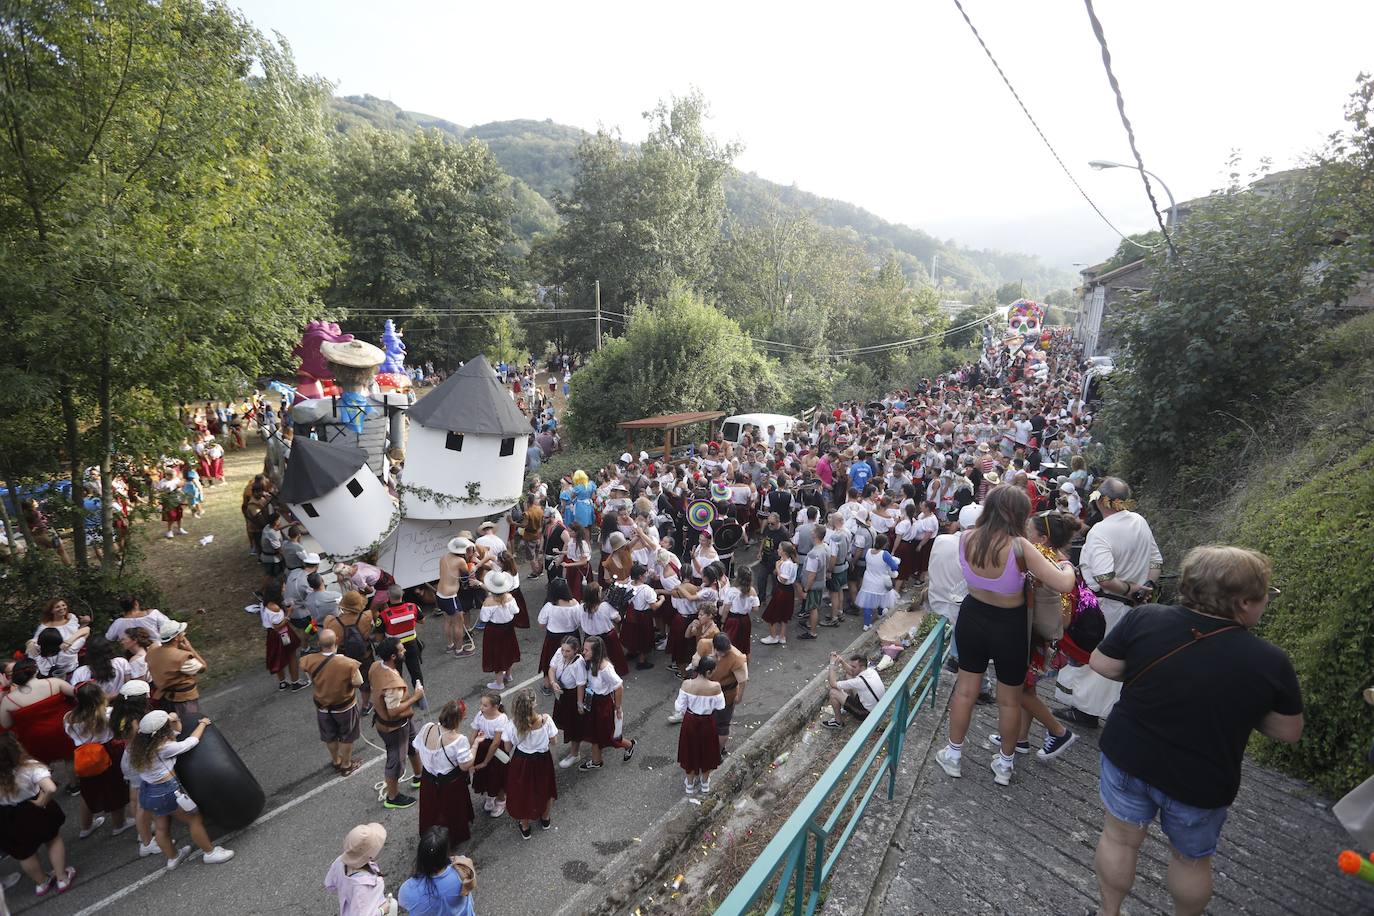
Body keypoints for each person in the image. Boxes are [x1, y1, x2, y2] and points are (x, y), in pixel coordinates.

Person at [1089, 546, 1303, 916]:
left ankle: (1110, 913)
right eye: (1265, 595)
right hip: (1201, 775)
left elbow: (1102, 664)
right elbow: (1288, 730)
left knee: (1120, 841)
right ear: (1244, 604)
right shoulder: (1269, 661)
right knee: (1191, 861)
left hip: (1129, 754)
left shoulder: (1145, 619)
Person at [934, 485, 1076, 786]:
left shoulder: (967, 537)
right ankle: (1004, 764)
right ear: (1020, 514)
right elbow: (1064, 584)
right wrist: (1067, 565)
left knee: (964, 691)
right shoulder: (1021, 547)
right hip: (1009, 624)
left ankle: (954, 755)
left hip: (972, 616)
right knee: (1009, 700)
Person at [1056, 478, 1163, 729]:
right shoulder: (1140, 522)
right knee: (1114, 657)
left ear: (1102, 500)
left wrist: (1131, 589)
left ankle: (1085, 711)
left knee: (1093, 657)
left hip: (1105, 606)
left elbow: (1104, 578)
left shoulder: (1101, 531)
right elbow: (1156, 561)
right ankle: (1092, 708)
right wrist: (1145, 587)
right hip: (1132, 608)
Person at [986, 511, 1081, 760]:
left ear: (1043, 538)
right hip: (1044, 635)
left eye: (1030, 532)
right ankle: (1019, 738)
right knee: (1028, 688)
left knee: (1016, 690)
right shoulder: (1061, 561)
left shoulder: (1044, 562)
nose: (1025, 535)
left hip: (1034, 636)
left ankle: (1058, 731)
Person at [127, 711, 234, 868]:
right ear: (161, 732)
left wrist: (174, 720)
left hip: (148, 791)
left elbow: (176, 731)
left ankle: (173, 858)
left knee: (161, 827)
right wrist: (202, 724)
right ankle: (210, 853)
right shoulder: (163, 748)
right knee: (194, 820)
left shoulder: (139, 746)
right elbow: (191, 741)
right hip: (167, 790)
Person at [0, 733, 73, 897]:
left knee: (24, 852)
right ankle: (61, 877)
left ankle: (41, 883)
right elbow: (51, 788)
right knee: (52, 839)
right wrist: (41, 801)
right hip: (33, 809)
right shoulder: (30, 767)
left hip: (7, 815)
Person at [62, 681, 131, 838]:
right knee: (115, 789)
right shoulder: (108, 714)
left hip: (84, 756)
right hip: (108, 754)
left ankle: (86, 827)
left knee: (88, 792)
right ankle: (119, 824)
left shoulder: (69, 719)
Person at [368, 638, 425, 809]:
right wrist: (416, 697)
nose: (405, 651)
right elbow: (394, 710)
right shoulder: (393, 685)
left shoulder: (376, 666)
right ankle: (392, 797)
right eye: (401, 650)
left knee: (413, 745)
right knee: (396, 761)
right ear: (393, 656)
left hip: (399, 722)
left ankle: (420, 776)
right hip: (395, 726)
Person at [301, 629, 366, 776]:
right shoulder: (348, 663)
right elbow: (358, 682)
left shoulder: (308, 660)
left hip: (322, 707)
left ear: (318, 643)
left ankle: (336, 761)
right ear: (337, 641)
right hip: (344, 707)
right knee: (347, 736)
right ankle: (347, 765)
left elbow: (309, 675)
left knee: (329, 735)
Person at [413, 701, 476, 849]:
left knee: (431, 810)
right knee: (452, 812)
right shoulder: (459, 740)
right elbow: (465, 765)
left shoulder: (427, 728)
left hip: (428, 779)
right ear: (459, 719)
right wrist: (476, 745)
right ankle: (451, 839)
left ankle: (431, 837)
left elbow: (416, 748)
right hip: (450, 783)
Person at [501, 688, 559, 840]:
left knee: (524, 792)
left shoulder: (512, 725)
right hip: (542, 760)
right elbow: (554, 742)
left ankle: (525, 826)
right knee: (545, 788)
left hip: (522, 762)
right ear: (534, 704)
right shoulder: (545, 720)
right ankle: (545, 819)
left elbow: (507, 748)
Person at [110, 680, 157, 857]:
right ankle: (146, 841)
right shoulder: (136, 721)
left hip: (128, 759)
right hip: (138, 761)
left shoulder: (120, 717)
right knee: (142, 804)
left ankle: (143, 830)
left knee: (135, 797)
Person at [0, 659, 76, 765]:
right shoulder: (53, 682)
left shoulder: (9, 700)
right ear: (36, 670)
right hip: (64, 732)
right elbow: (77, 693)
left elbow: (5, 724)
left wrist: (5, 689)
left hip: (35, 742)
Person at [578, 636, 637, 771]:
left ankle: (629, 745)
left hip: (603, 704)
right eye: (583, 649)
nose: (584, 652)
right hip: (593, 701)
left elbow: (619, 686)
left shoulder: (605, 668)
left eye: (587, 650)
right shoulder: (590, 662)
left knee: (608, 735)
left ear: (596, 652)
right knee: (594, 733)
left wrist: (617, 707)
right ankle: (596, 761)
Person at [397, 827, 477, 916]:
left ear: (421, 855)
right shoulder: (463, 868)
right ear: (446, 852)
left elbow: (402, 903)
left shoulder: (408, 890)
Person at [675, 656, 725, 795]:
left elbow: (679, 707)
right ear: (709, 672)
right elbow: (720, 706)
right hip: (707, 722)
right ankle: (704, 784)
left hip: (690, 721)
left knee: (690, 751)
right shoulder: (715, 687)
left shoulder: (687, 684)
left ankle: (689, 785)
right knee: (707, 751)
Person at [323, 822, 397, 916]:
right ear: (370, 855)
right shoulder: (366, 885)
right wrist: (382, 910)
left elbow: (329, 884)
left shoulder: (339, 861)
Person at [146, 620, 208, 721]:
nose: (184, 634)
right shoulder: (181, 658)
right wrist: (189, 648)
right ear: (176, 638)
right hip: (184, 700)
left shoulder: (152, 651)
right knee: (190, 724)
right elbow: (203, 667)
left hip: (164, 698)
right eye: (181, 633)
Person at [377, 586, 426, 705]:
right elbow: (422, 620)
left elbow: (378, 636)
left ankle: (401, 699)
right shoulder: (413, 607)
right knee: (416, 672)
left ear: (389, 597)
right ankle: (420, 698)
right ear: (402, 594)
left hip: (394, 650)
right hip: (412, 646)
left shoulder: (384, 615)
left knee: (396, 675)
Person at [548, 636, 588, 769]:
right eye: (563, 650)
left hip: (572, 695)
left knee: (574, 725)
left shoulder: (579, 663)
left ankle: (575, 754)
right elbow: (552, 669)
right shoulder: (559, 652)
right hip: (561, 692)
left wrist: (579, 703)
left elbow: (580, 685)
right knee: (566, 723)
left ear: (576, 650)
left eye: (568, 651)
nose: (564, 654)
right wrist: (553, 682)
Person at [469, 692, 510, 819]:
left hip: (496, 753)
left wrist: (486, 761)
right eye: (482, 704)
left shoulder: (501, 718)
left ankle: (501, 801)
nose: (481, 707)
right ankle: (490, 796)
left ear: (495, 707)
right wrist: (471, 754)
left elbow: (496, 743)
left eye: (485, 705)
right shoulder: (480, 715)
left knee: (497, 777)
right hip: (482, 748)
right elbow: (473, 735)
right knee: (484, 775)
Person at [478, 570, 520, 691]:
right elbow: (516, 611)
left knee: (497, 655)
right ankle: (508, 674)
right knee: (508, 651)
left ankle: (499, 683)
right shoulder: (510, 597)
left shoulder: (488, 602)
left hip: (494, 631)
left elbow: (483, 618)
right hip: (508, 628)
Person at [536, 577, 581, 687]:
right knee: (573, 660)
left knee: (549, 661)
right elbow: (579, 621)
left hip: (553, 638)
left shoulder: (550, 606)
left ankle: (547, 685)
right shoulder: (575, 604)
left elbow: (541, 624)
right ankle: (573, 682)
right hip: (572, 636)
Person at [824, 652, 886, 729]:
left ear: (862, 667)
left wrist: (832, 664)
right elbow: (851, 672)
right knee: (849, 675)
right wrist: (842, 661)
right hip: (877, 707)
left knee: (833, 692)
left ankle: (838, 722)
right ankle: (848, 705)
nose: (851, 668)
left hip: (865, 713)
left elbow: (833, 684)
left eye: (853, 666)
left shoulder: (859, 681)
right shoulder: (871, 671)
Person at [437, 538, 475, 658]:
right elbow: (466, 575)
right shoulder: (460, 561)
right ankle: (459, 650)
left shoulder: (444, 557)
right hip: (450, 596)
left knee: (447, 621)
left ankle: (450, 645)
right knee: (459, 623)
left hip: (440, 594)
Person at [580, 581, 628, 676]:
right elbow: (618, 619)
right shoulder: (605, 606)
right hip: (607, 637)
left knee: (592, 658)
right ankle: (614, 673)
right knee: (613, 657)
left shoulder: (581, 607)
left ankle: (592, 673)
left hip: (590, 637)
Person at [854, 534, 901, 631]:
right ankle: (880, 613)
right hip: (880, 581)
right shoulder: (885, 554)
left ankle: (866, 624)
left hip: (868, 581)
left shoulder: (868, 552)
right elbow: (894, 567)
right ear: (885, 544)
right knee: (882, 598)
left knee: (868, 603)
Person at [760, 542, 798, 646]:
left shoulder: (786, 564)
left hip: (782, 590)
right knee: (784, 614)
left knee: (772, 614)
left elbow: (783, 579)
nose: (777, 550)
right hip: (789, 590)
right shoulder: (791, 563)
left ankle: (773, 636)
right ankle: (782, 636)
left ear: (784, 552)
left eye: (779, 549)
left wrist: (777, 567)